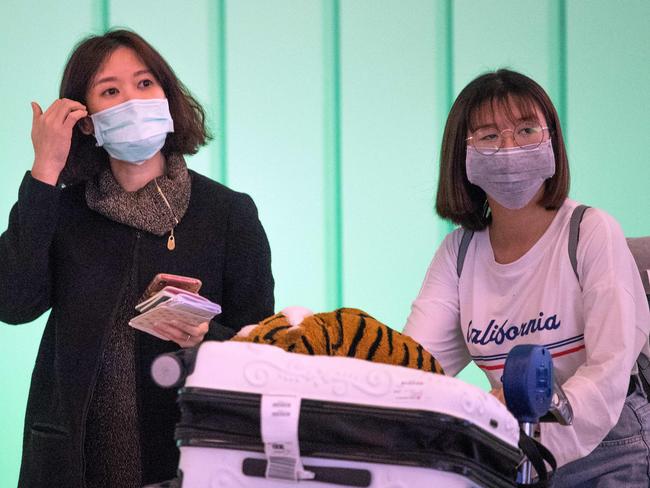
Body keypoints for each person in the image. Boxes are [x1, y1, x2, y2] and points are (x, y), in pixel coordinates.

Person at [0, 30, 274, 487]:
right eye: (111, 90)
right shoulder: (64, 210)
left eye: (145, 84)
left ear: (166, 97)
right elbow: (12, 302)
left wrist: (205, 335)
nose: (132, 99)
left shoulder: (227, 213)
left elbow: (264, 346)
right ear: (86, 122)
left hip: (190, 459)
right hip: (71, 464)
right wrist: (44, 171)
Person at [404, 69, 650, 486]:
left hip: (614, 446)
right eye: (488, 136)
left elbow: (610, 372)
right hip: (513, 449)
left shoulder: (590, 230)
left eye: (525, 129)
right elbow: (414, 369)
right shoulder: (458, 254)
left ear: (551, 139)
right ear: (461, 157)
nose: (509, 147)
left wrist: (517, 433)